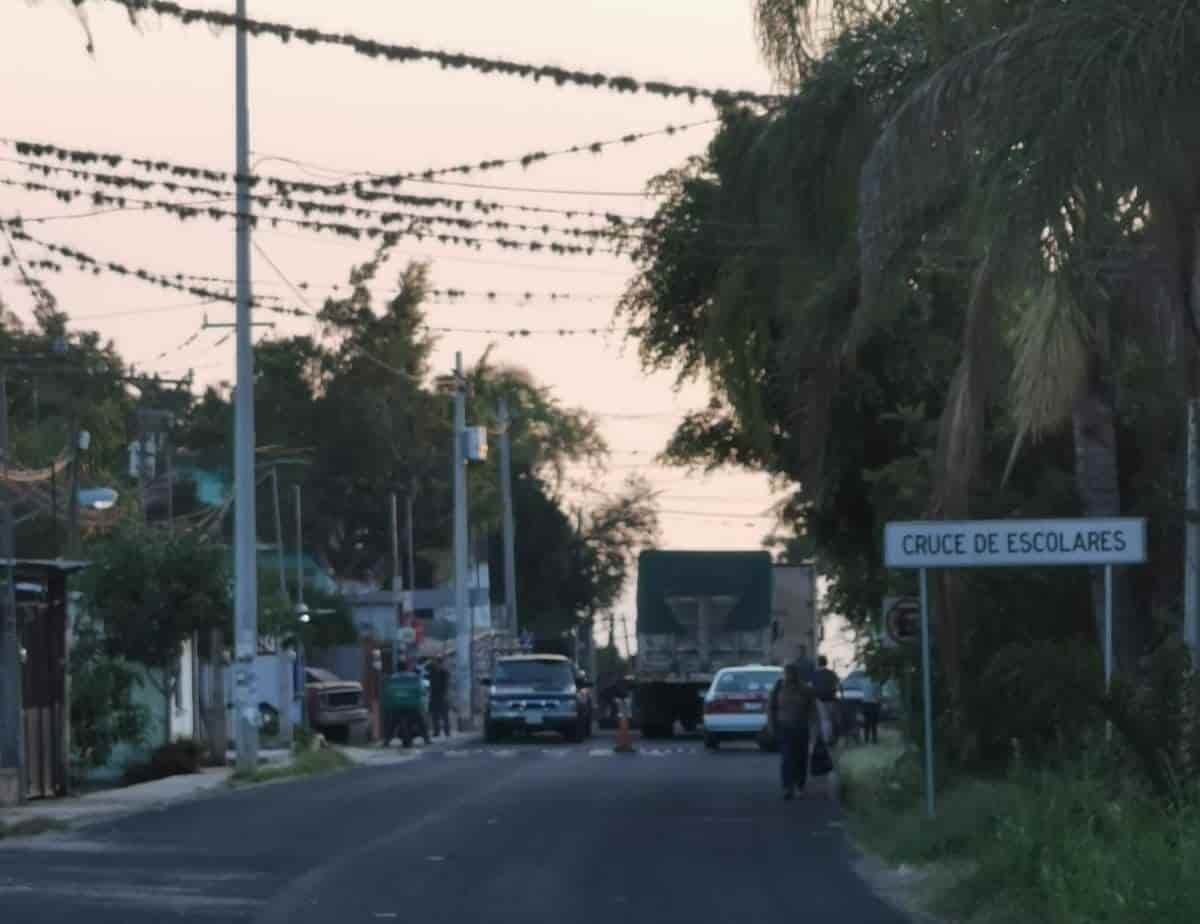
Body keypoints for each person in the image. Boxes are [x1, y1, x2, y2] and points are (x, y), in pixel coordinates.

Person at [768, 663, 816, 800]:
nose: (789, 676)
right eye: (787, 673)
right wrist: (771, 725)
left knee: (801, 758)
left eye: (791, 673)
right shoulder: (778, 688)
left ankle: (800, 786)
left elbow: (812, 711)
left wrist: (815, 730)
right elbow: (771, 708)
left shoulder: (806, 689)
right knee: (787, 758)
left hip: (801, 728)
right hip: (784, 727)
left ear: (796, 674)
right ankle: (787, 787)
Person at [812, 656, 840, 746]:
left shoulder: (815, 674)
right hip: (831, 698)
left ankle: (826, 739)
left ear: (819, 663)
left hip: (820, 699)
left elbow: (813, 687)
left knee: (824, 719)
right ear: (826, 663)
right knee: (830, 719)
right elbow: (837, 684)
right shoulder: (831, 673)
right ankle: (830, 738)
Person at [427, 656, 451, 738]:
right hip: (434, 695)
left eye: (437, 662)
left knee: (444, 715)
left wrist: (444, 694)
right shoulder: (432, 671)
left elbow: (446, 685)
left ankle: (447, 731)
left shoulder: (444, 672)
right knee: (435, 715)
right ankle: (437, 731)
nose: (436, 664)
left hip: (441, 695)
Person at [860, 673, 882, 744]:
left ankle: (866, 739)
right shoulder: (877, 683)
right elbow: (879, 696)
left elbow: (862, 692)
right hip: (874, 704)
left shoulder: (863, 682)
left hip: (865, 704)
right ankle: (874, 739)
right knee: (873, 723)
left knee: (866, 722)